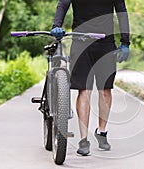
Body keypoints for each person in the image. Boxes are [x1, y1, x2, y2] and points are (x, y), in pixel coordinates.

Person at [51, 0, 130, 156]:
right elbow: (63, 4)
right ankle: (83, 139)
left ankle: (102, 132)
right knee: (84, 90)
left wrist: (125, 41)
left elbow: (122, 12)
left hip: (105, 43)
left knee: (105, 90)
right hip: (80, 42)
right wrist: (56, 26)